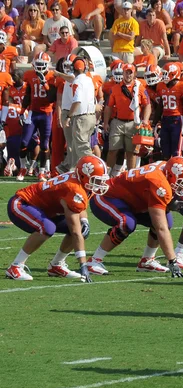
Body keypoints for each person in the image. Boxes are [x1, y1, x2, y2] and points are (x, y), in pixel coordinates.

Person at [5, 155, 109, 281]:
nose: (100, 184)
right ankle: (15, 266)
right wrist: (83, 264)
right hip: (22, 203)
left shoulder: (82, 183)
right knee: (48, 228)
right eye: (97, 180)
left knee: (81, 228)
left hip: (44, 209)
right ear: (84, 176)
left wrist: (84, 221)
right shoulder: (74, 188)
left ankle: (56, 265)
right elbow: (75, 232)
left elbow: (81, 205)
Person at [86, 157, 183, 276]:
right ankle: (94, 261)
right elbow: (160, 228)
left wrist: (169, 203)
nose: (181, 187)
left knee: (167, 222)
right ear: (171, 175)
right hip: (106, 196)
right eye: (180, 183)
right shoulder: (159, 183)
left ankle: (147, 261)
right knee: (127, 223)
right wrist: (172, 261)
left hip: (130, 200)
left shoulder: (165, 168)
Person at [103, 63, 151, 175]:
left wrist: (145, 120)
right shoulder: (115, 88)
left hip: (133, 123)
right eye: (126, 72)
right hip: (118, 121)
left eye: (130, 72)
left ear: (134, 73)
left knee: (131, 152)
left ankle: (130, 176)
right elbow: (108, 106)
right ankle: (107, 175)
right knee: (112, 150)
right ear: (123, 73)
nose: (128, 74)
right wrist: (106, 123)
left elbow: (147, 104)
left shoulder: (140, 87)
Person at [18, 52, 55, 181]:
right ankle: (23, 168)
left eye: (42, 65)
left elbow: (52, 98)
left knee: (45, 145)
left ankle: (42, 171)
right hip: (33, 112)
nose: (39, 67)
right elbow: (28, 94)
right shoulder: (29, 75)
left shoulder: (52, 76)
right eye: (37, 64)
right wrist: (22, 111)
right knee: (24, 141)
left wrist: (44, 82)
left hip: (46, 113)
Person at [155, 62, 183, 159]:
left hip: (177, 120)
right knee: (165, 150)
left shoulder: (182, 86)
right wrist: (154, 123)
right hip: (165, 119)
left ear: (173, 74)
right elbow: (160, 106)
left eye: (165, 73)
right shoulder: (161, 86)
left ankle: (178, 172)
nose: (163, 76)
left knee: (177, 150)